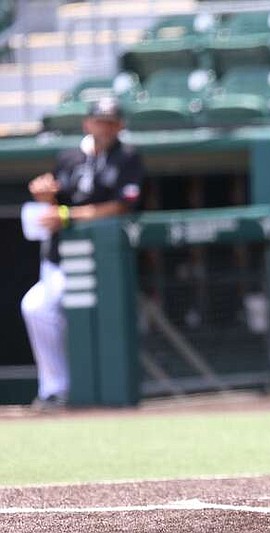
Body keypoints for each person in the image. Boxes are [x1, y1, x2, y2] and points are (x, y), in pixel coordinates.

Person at [21, 96, 144, 411]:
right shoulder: (69, 158)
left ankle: (76, 388)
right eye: (99, 120)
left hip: (102, 259)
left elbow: (120, 205)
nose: (105, 127)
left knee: (60, 306)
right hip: (60, 258)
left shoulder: (127, 157)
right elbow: (54, 206)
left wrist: (68, 215)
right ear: (87, 123)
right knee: (35, 307)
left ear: (120, 125)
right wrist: (46, 197)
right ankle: (54, 389)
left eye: (111, 121)